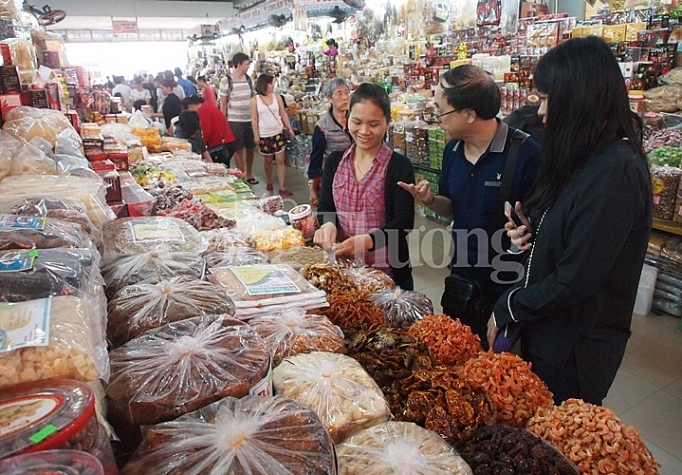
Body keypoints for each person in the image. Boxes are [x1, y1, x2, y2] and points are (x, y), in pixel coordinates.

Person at [487, 37, 652, 405]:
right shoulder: (582, 155)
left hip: (572, 350)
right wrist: (533, 229)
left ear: (576, 99)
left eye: (546, 99)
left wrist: (508, 307)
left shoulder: (616, 172)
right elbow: (570, 232)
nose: (540, 112)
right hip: (546, 333)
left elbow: (575, 280)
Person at [399, 65, 542, 346]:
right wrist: (429, 201)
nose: (436, 117)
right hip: (463, 275)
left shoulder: (526, 154)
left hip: (508, 283)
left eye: (441, 109)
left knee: (501, 368)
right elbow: (451, 207)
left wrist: (527, 231)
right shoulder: (452, 150)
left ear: (469, 113)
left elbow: (541, 227)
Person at [314, 83, 415, 290]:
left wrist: (367, 241)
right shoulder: (335, 162)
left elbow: (404, 222)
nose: (364, 131)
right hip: (342, 271)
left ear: (387, 122)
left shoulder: (398, 166)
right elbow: (326, 205)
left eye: (374, 124)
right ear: (347, 118)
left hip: (387, 273)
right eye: (357, 122)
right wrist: (328, 224)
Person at [308, 77, 352, 206]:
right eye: (339, 93)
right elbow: (316, 158)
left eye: (347, 92)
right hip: (336, 179)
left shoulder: (357, 119)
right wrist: (312, 187)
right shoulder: (322, 127)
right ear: (329, 98)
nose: (345, 97)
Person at [251, 74, 295, 195]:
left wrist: (289, 129)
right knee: (268, 160)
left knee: (280, 160)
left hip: (278, 132)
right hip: (264, 134)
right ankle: (269, 180)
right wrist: (256, 135)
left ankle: (282, 186)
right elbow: (254, 119)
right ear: (264, 84)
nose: (273, 85)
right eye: (271, 83)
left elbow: (283, 113)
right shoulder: (255, 100)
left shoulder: (277, 97)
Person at [220, 53, 257, 184]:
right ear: (239, 64)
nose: (248, 66)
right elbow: (223, 103)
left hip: (249, 119)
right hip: (234, 121)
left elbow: (253, 97)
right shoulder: (226, 81)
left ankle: (249, 173)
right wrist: (223, 122)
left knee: (251, 148)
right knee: (238, 149)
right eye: (246, 64)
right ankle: (242, 176)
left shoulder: (249, 79)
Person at [184, 95, 236, 166]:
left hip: (221, 146)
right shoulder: (208, 107)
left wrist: (200, 146)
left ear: (190, 106)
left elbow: (206, 131)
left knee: (218, 171)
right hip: (227, 142)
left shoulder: (203, 110)